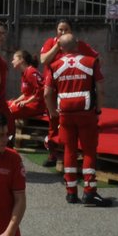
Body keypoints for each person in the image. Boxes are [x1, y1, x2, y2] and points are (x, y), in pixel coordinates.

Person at [45, 33, 112, 206]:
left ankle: (71, 191)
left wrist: (52, 111)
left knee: (69, 150)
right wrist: (98, 109)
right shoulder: (91, 62)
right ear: (77, 44)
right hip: (86, 112)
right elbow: (101, 89)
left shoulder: (54, 66)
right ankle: (89, 191)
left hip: (65, 114)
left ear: (60, 47)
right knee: (89, 151)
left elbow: (47, 93)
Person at [36, 20, 74, 164]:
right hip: (52, 89)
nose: (63, 32)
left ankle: (68, 155)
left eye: (66, 29)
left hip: (69, 89)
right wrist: (57, 47)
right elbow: (44, 60)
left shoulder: (75, 44)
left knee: (68, 123)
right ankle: (52, 154)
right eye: (60, 29)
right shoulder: (50, 42)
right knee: (53, 123)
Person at [5, 49, 46, 130]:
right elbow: (26, 94)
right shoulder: (24, 73)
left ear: (21, 60)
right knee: (4, 105)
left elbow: (41, 92)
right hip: (27, 104)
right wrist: (16, 101)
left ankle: (8, 136)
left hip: (36, 106)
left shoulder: (31, 72)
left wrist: (26, 102)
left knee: (7, 112)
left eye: (14, 59)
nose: (12, 61)